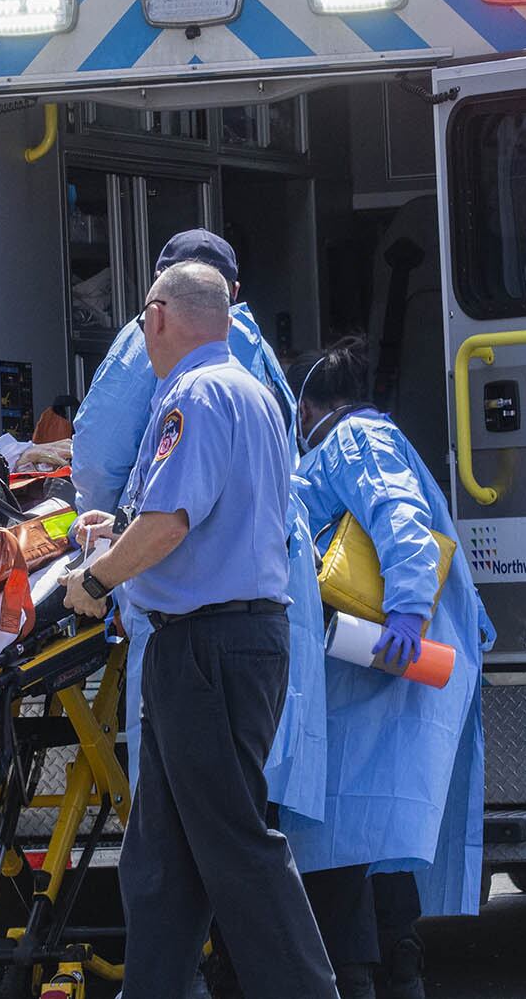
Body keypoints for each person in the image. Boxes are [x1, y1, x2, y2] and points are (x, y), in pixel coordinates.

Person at [63, 262, 336, 999]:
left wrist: (93, 580)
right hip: (221, 641)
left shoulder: (193, 393)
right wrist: (114, 532)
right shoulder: (247, 392)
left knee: (234, 845)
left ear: (155, 316)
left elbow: (172, 523)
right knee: (161, 857)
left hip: (207, 646)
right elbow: (195, 515)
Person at [70, 228, 326, 823]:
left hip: (196, 625)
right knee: (213, 826)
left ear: (156, 306)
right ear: (231, 290)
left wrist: (106, 562)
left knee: (212, 826)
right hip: (265, 607)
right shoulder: (254, 365)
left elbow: (104, 457)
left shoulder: (177, 358)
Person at [280, 338, 494, 999]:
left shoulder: (352, 443)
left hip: (380, 659)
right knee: (372, 829)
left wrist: (404, 612)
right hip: (374, 664)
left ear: (308, 405)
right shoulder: (368, 438)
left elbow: (398, 520)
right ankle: (398, 968)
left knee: (339, 832)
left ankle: (365, 976)